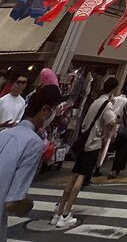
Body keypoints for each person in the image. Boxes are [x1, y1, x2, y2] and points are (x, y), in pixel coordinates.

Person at [52, 76, 118, 230]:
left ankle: (59, 210)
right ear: (113, 90)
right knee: (81, 177)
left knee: (74, 175)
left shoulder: (94, 101)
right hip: (92, 144)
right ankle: (66, 213)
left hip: (83, 141)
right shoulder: (107, 104)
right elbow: (112, 122)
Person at [0, 85, 62, 241]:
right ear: (45, 110)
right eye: (54, 110)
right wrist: (28, 203)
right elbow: (12, 203)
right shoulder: (33, 143)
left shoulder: (4, 134)